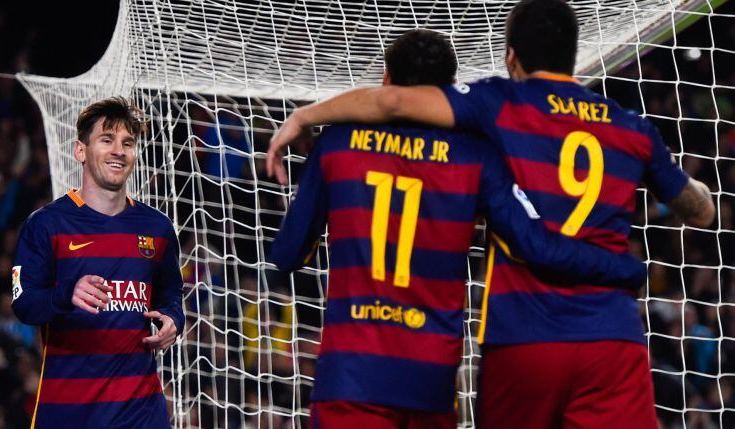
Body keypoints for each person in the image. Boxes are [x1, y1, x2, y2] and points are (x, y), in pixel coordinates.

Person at [266, 1, 716, 428]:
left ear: (511, 56)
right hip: (458, 372)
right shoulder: (484, 159)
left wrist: (306, 120)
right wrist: (622, 263)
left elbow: (288, 253)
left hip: (392, 363)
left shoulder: (346, 146)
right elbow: (695, 211)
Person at [11, 97, 185, 428]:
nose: (119, 150)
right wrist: (66, 294)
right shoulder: (46, 225)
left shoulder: (157, 227)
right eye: (107, 140)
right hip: (69, 412)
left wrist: (173, 320)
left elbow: (170, 292)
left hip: (141, 411)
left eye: (128, 143)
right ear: (80, 151)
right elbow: (24, 304)